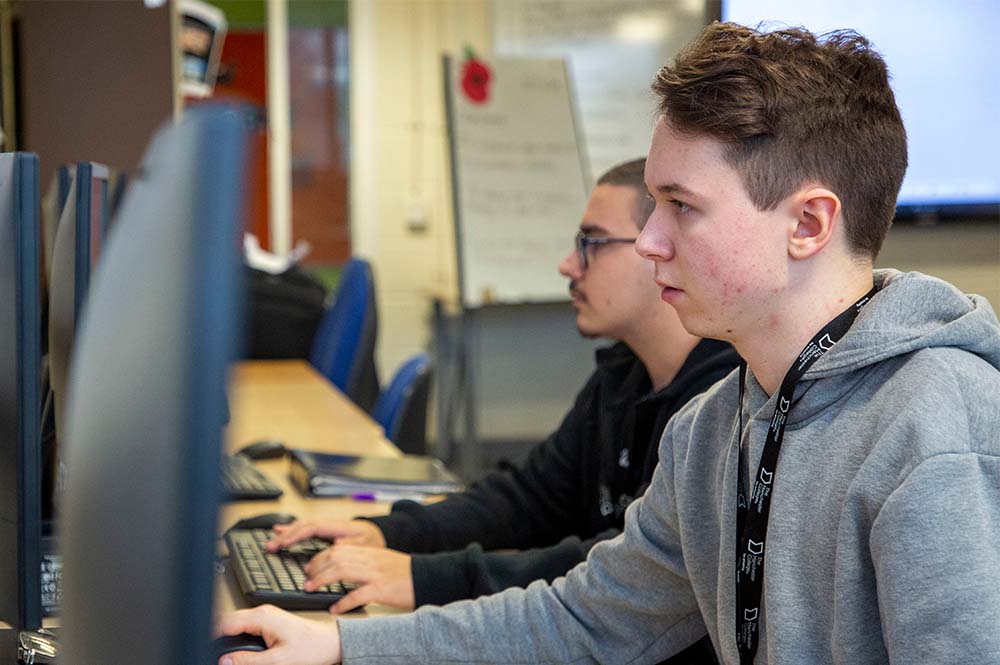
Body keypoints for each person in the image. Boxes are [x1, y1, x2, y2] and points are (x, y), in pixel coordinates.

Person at [217, 22, 1000, 665]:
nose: (652, 240)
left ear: (807, 224)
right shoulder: (711, 428)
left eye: (681, 206)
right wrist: (342, 643)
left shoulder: (933, 424)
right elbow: (584, 621)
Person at [264, 158, 739, 662]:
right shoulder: (622, 374)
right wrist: (387, 532)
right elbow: (529, 498)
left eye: (591, 243)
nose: (568, 265)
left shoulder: (718, 407)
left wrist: (424, 577)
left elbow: (612, 582)